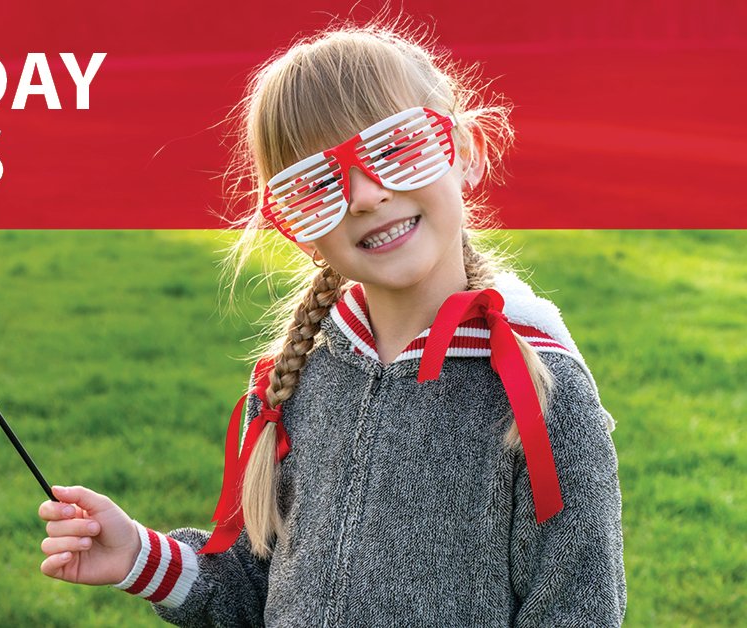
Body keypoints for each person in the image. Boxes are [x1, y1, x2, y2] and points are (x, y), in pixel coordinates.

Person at [37, 18, 626, 627]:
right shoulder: (296, 381)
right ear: (298, 230)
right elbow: (257, 585)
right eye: (317, 184)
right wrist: (137, 555)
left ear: (466, 152)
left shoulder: (541, 396)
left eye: (396, 147)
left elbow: (575, 611)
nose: (367, 194)